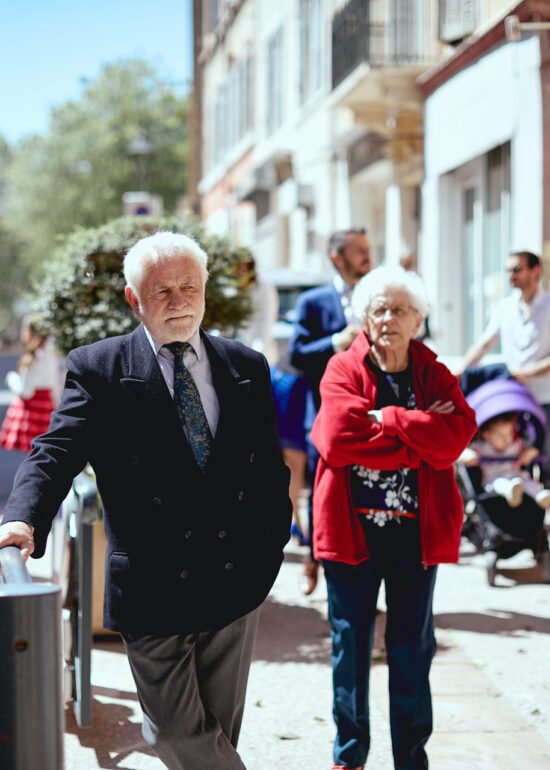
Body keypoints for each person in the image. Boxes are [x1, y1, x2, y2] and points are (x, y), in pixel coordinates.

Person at [0, 231, 292, 770]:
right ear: (134, 299)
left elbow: (268, 468)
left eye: (189, 287)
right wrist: (22, 518)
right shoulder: (99, 367)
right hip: (154, 583)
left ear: (205, 289)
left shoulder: (245, 364)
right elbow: (55, 450)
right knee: (175, 733)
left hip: (236, 577)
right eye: (162, 291)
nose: (179, 301)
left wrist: (270, 545)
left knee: (216, 730)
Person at [310, 265, 477, 770]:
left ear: (418, 320)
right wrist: (419, 443)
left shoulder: (434, 373)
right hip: (352, 533)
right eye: (379, 309)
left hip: (414, 535)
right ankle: (349, 756)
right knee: (350, 646)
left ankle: (411, 758)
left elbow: (457, 435)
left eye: (400, 309)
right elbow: (337, 440)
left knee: (412, 650)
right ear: (365, 317)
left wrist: (391, 419)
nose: (388, 318)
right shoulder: (343, 369)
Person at [289, 227, 372, 594]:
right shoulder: (313, 301)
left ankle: (360, 576)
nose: (367, 257)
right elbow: (297, 355)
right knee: (321, 489)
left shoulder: (380, 293)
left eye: (368, 249)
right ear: (337, 257)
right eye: (359, 250)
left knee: (362, 492)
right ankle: (313, 557)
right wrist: (336, 342)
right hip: (325, 411)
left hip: (370, 410)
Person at [458, 250, 550, 476]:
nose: (511, 275)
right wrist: (461, 369)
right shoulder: (505, 307)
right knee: (514, 459)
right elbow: (485, 343)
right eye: (508, 270)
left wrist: (528, 373)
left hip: (544, 398)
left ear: (536, 271)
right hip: (513, 400)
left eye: (516, 269)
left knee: (545, 460)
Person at [458, 412, 550, 509]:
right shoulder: (481, 447)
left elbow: (530, 452)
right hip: (493, 478)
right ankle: (509, 491)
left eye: (510, 434)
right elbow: (460, 454)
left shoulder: (515, 445)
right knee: (499, 483)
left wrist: (528, 454)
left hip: (515, 476)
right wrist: (468, 455)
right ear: (487, 435)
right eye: (501, 435)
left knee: (526, 482)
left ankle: (540, 495)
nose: (506, 439)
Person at [0, 314, 61, 453]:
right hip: (47, 407)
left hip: (32, 410)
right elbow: (55, 386)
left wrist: (12, 379)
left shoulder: (35, 356)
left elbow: (25, 391)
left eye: (25, 329)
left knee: (34, 454)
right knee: (44, 452)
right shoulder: (51, 354)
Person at [235, 255, 279, 366]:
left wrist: (258, 348)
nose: (240, 273)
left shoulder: (264, 288)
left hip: (258, 346)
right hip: (236, 347)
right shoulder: (232, 288)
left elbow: (267, 319)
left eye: (243, 269)